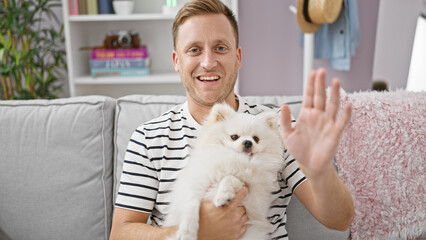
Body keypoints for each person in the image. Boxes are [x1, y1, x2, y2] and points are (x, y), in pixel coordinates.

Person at [109, 0, 355, 239]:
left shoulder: (276, 128)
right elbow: (120, 234)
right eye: (194, 50)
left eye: (220, 48)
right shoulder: (149, 138)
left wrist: (319, 170)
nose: (208, 62)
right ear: (177, 61)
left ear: (238, 57)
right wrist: (194, 233)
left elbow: (339, 220)